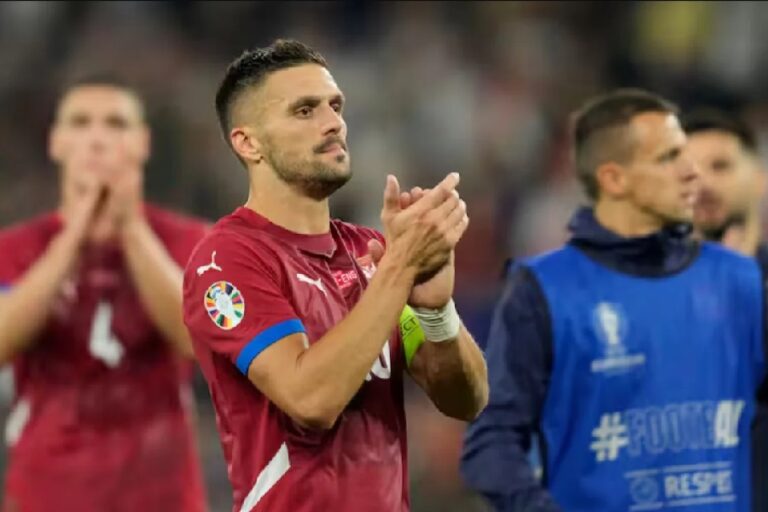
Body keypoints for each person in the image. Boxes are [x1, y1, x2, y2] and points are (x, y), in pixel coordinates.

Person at [181, 39, 489, 512]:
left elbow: (466, 400)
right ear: (248, 143)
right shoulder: (227, 259)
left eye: (335, 106)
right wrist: (401, 268)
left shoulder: (370, 255)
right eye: (305, 111)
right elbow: (311, 400)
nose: (334, 123)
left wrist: (436, 311)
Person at [461, 89, 765, 511]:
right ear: (614, 179)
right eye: (669, 158)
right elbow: (492, 444)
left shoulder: (740, 279)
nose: (691, 172)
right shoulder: (545, 289)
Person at [0, 76, 208, 511]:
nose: (97, 139)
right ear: (56, 142)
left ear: (143, 144)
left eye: (116, 124)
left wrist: (131, 228)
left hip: (163, 496)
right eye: (80, 123)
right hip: (47, 495)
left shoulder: (194, 243)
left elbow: (200, 341)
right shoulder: (13, 250)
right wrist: (71, 241)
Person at [683, 109, 768, 512]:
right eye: (690, 172)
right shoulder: (644, 295)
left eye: (720, 166)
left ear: (760, 178)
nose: (705, 183)